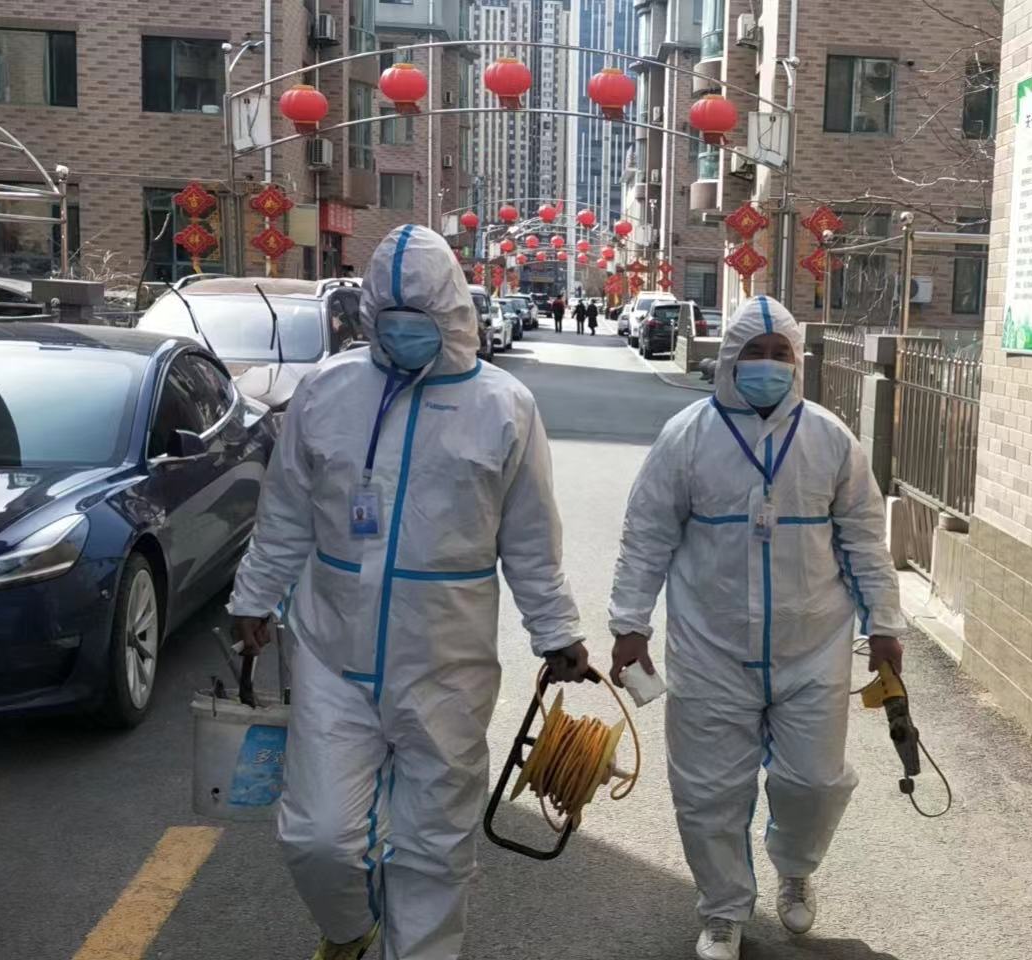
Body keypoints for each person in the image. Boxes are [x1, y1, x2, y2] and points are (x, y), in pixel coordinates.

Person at [230, 224, 593, 960]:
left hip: (446, 666)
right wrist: (253, 598)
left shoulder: (504, 406)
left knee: (434, 850)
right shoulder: (327, 391)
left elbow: (530, 538)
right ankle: (351, 928)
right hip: (332, 655)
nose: (403, 329)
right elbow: (287, 510)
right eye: (391, 315)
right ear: (370, 313)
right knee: (318, 838)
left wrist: (556, 632)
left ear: (451, 313)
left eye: (418, 315)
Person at [607, 296, 905, 960]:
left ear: (796, 363)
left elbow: (863, 539)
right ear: (729, 361)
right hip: (710, 647)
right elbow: (646, 534)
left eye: (780, 354)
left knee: (814, 782)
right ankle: (722, 910)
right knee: (708, 790)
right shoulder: (687, 435)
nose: (768, 366)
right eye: (755, 353)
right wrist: (630, 624)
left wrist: (885, 624)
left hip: (813, 646)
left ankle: (794, 868)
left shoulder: (830, 438)